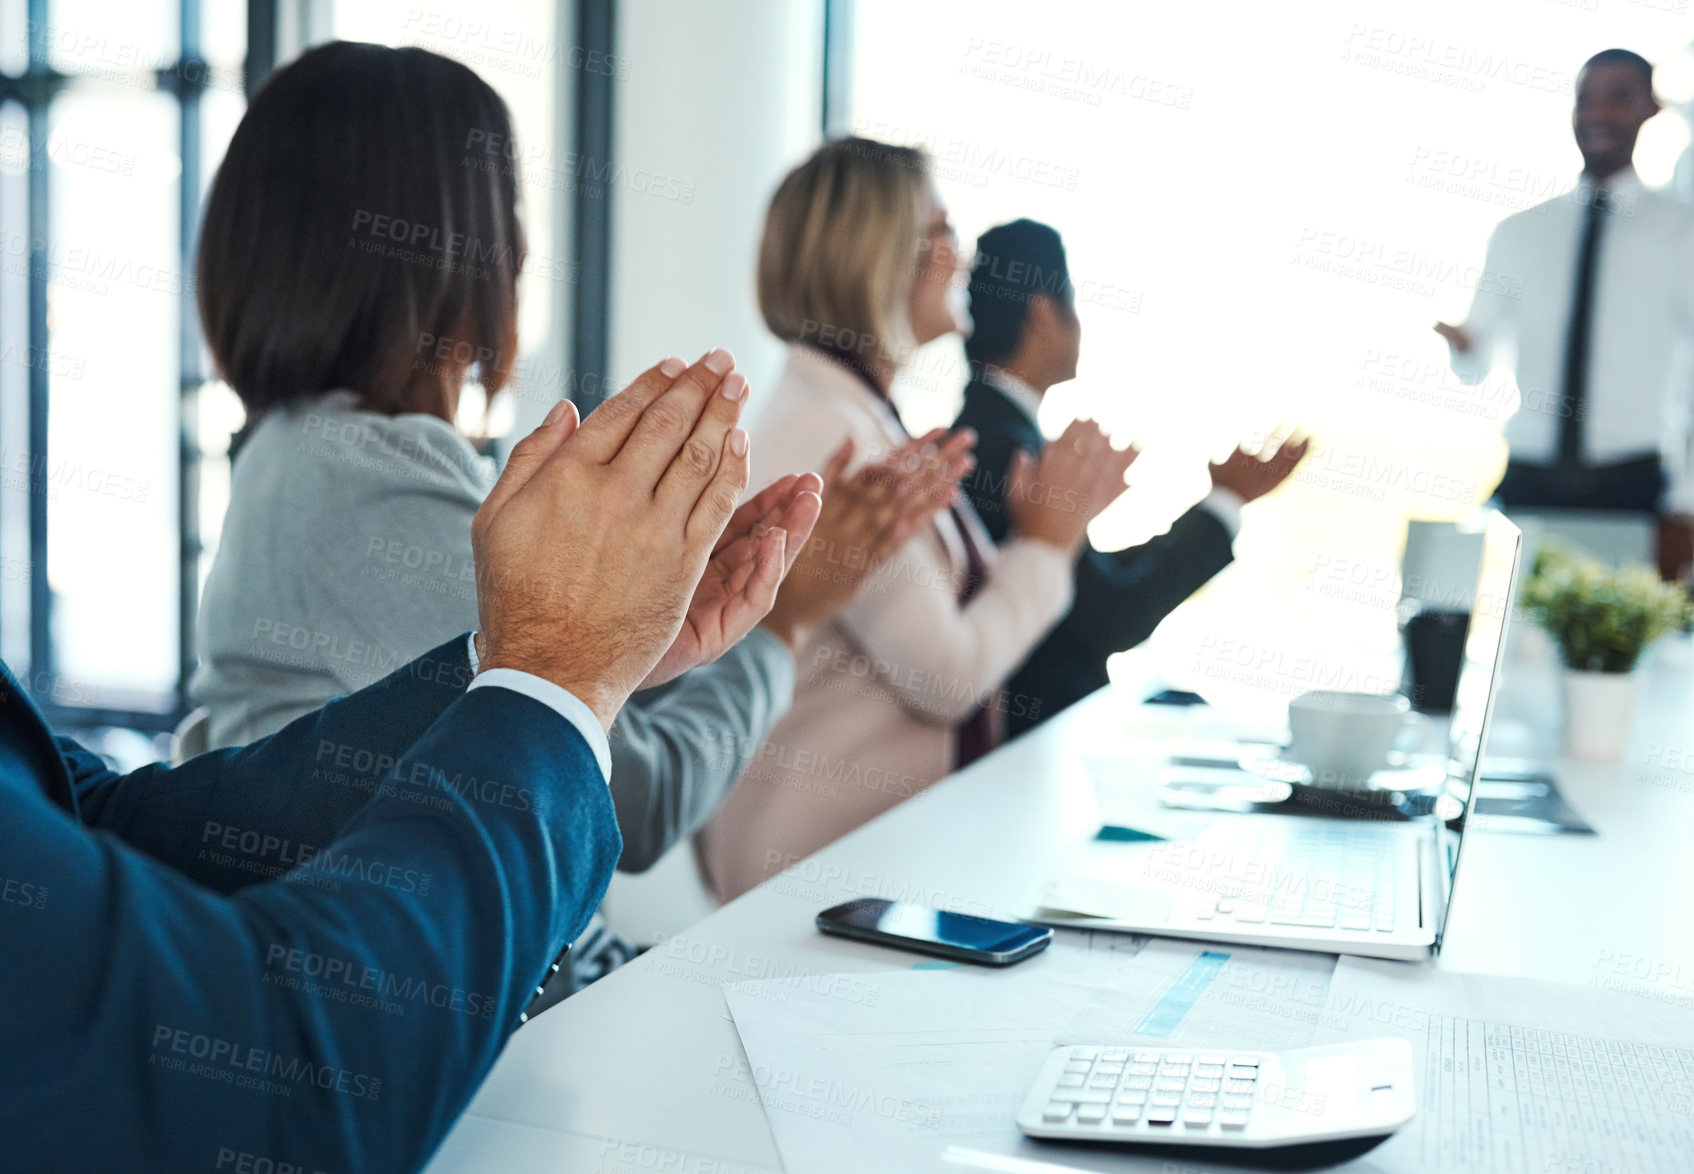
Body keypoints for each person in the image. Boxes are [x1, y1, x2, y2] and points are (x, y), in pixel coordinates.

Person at [189, 44, 969, 993]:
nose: (518, 252)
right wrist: (786, 621)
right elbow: (628, 795)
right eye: (506, 216)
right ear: (455, 249)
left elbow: (544, 720)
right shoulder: (366, 479)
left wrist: (646, 633)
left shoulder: (306, 454)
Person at [2, 354, 763, 1172]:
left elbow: (109, 823)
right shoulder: (369, 463)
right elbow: (274, 1093)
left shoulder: (288, 448)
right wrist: (556, 678)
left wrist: (520, 666)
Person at [696, 139, 1135, 902]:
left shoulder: (857, 416)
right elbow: (946, 674)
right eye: (942, 233)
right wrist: (1046, 546)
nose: (961, 260)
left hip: (857, 864)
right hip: (812, 869)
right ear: (883, 256)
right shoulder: (826, 433)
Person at [953, 219, 1308, 736]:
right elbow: (1107, 613)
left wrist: (1220, 503)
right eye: (1072, 302)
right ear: (1043, 314)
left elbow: (1088, 582)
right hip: (1024, 749)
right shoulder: (1007, 450)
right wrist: (1227, 501)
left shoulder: (993, 432)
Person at [1434, 48, 1694, 582]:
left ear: (1651, 108)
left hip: (1634, 486)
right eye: (1586, 98)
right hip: (1529, 483)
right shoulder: (1520, 232)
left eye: (1619, 98)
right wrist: (1463, 346)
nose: (1598, 113)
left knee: (1626, 656)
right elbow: (1475, 367)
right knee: (1513, 651)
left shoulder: (1685, 233)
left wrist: (1690, 503)